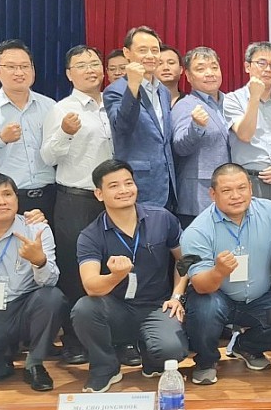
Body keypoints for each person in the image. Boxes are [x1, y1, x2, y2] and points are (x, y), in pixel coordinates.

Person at [72, 159, 188, 393]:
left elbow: (184, 260)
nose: (124, 190)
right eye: (114, 186)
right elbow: (91, 286)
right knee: (84, 309)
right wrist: (115, 276)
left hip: (157, 305)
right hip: (116, 308)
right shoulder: (90, 235)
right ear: (99, 194)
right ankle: (105, 367)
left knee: (172, 351)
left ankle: (152, 358)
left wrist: (177, 296)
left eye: (128, 183)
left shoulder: (162, 218)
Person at [182, 163, 271, 385]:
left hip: (259, 295)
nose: (236, 196)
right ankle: (206, 362)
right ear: (212, 194)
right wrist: (218, 271)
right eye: (227, 190)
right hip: (216, 295)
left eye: (242, 188)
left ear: (251, 188)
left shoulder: (270, 212)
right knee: (204, 309)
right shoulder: (197, 231)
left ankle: (245, 347)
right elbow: (200, 285)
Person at [40, 45, 114, 364]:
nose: (90, 69)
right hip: (76, 199)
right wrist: (65, 133)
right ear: (69, 74)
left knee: (113, 267)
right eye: (81, 65)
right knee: (74, 270)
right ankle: (74, 340)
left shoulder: (114, 103)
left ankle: (115, 337)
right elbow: (47, 157)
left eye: (94, 63)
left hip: (113, 200)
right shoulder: (62, 109)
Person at [0, 173, 64, 393]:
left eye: (7, 194)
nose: (2, 201)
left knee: (52, 298)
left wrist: (39, 261)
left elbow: (51, 281)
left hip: (24, 308)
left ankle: (34, 363)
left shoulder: (37, 230)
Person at [0, 39, 57, 219]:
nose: (19, 72)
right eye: (11, 67)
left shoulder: (50, 106)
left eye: (25, 66)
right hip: (7, 199)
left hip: (51, 195)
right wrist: (0, 139)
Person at [103, 26, 177, 209]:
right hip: (137, 183)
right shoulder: (115, 90)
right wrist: (133, 87)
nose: (150, 56)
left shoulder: (164, 91)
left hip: (167, 184)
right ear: (127, 53)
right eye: (143, 50)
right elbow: (122, 127)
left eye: (155, 50)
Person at [224, 42, 271, 223]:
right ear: (247, 66)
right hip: (247, 180)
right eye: (262, 63)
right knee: (249, 233)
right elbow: (245, 134)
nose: (268, 69)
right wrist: (254, 97)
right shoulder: (232, 99)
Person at [171, 46, 231, 229]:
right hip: (199, 195)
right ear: (188, 76)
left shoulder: (231, 102)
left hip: (231, 192)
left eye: (214, 67)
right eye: (201, 68)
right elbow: (180, 147)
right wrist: (196, 126)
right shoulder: (185, 105)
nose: (209, 73)